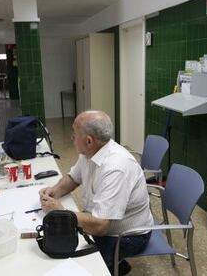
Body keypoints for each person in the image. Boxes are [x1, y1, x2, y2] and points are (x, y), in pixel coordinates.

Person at [39, 110, 153, 275]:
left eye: (74, 133)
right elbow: (73, 178)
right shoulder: (89, 152)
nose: (71, 137)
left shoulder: (115, 168)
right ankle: (116, 264)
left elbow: (101, 227)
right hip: (102, 221)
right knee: (63, 242)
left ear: (89, 140)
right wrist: (54, 191)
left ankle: (113, 264)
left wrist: (62, 212)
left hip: (127, 236)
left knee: (83, 265)